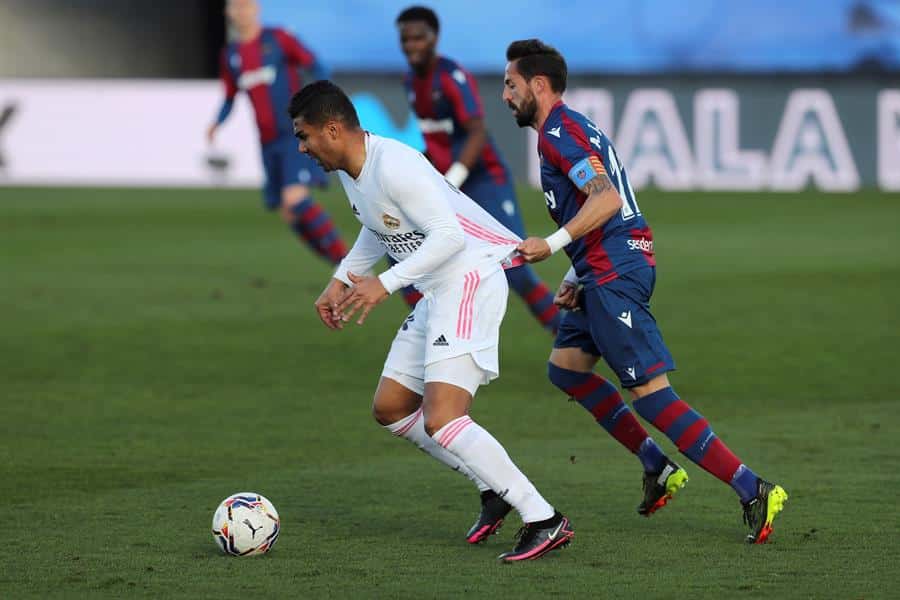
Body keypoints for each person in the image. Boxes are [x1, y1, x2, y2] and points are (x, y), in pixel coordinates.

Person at [502, 39, 788, 544]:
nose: (505, 95)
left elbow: (606, 199)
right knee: (566, 369)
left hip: (616, 272)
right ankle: (656, 464)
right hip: (601, 269)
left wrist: (551, 246)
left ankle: (754, 488)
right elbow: (598, 202)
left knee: (650, 397)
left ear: (537, 85)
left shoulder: (557, 134)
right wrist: (574, 275)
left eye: (510, 84)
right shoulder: (571, 126)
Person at [288, 80, 573, 561]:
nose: (302, 147)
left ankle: (543, 517)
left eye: (304, 135)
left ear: (332, 129)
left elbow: (448, 238)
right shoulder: (352, 169)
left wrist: (385, 283)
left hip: (467, 280)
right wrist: (344, 278)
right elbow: (378, 224)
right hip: (437, 289)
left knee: (443, 418)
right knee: (393, 407)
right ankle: (492, 488)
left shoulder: (394, 165)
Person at [395, 6, 561, 334]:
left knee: (516, 268)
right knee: (403, 257)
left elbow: (476, 131)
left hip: (483, 179)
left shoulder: (452, 77)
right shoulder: (411, 81)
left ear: (434, 38)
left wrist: (453, 178)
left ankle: (569, 336)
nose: (412, 44)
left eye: (419, 37)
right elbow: (438, 138)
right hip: (448, 184)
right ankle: (437, 333)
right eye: (405, 39)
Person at [207, 0, 346, 265]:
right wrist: (217, 122)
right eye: (235, 7)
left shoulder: (278, 39)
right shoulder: (231, 55)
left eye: (245, 6)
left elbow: (315, 64)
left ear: (256, 8)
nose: (241, 12)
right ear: (228, 13)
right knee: (289, 213)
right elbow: (229, 96)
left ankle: (348, 263)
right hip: (267, 141)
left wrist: (322, 99)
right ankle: (341, 267)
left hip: (294, 133)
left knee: (294, 198)